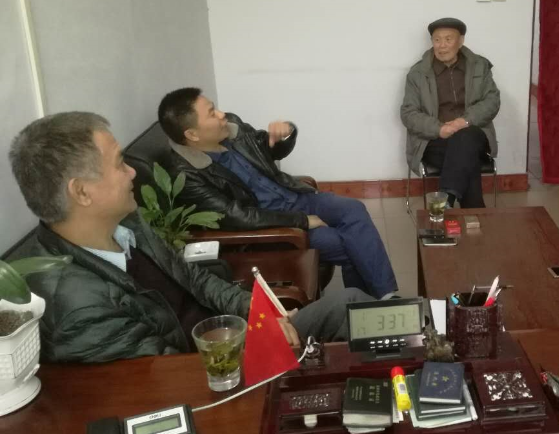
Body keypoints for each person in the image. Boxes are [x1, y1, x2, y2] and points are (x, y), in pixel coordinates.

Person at [8, 112, 371, 363]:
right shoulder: (78, 306)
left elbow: (194, 277)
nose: (132, 172)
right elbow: (165, 375)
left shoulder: (129, 225)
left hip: (229, 334)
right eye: (119, 163)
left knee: (351, 305)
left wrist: (259, 315)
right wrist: (253, 338)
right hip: (214, 370)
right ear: (82, 192)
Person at [157, 88, 398, 300]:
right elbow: (235, 216)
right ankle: (367, 304)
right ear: (192, 134)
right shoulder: (187, 174)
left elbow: (267, 147)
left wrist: (284, 135)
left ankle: (385, 297)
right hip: (271, 226)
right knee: (347, 244)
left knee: (354, 209)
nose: (222, 115)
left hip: (294, 196)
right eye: (212, 113)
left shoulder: (231, 127)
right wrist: (302, 221)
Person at [400, 18, 500, 208]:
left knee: (465, 139)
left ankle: (446, 198)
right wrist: (439, 129)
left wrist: (463, 121)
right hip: (435, 140)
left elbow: (492, 101)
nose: (442, 45)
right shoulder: (418, 73)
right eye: (437, 40)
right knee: (467, 158)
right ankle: (473, 214)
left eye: (448, 39)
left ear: (460, 41)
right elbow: (408, 113)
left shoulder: (479, 66)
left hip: (473, 133)